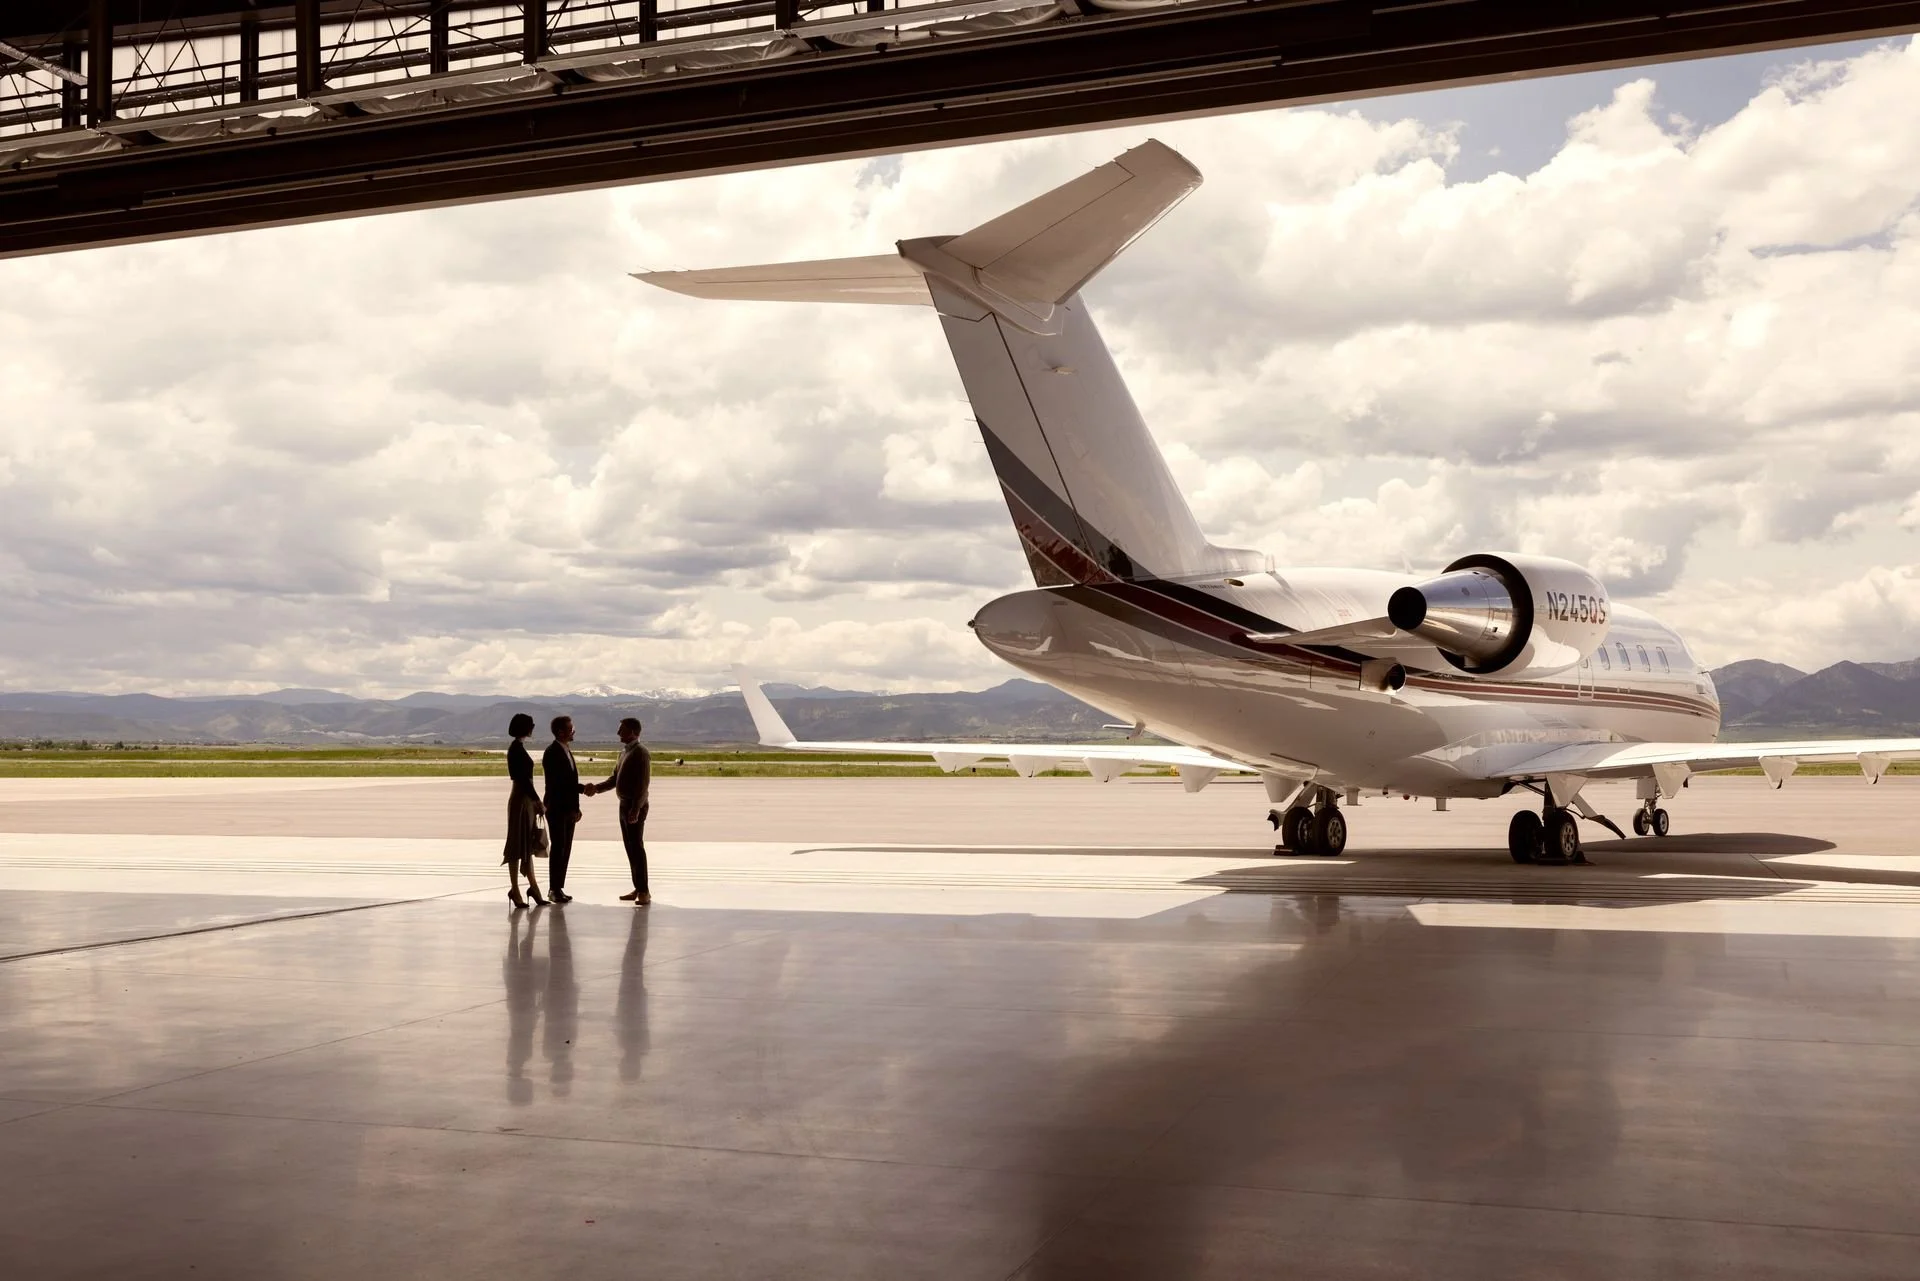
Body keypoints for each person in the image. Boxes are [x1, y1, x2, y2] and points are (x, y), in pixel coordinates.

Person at [589, 716, 651, 905]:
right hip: (624, 805)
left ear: (632, 732)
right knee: (630, 848)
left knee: (636, 848)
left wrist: (635, 809)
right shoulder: (624, 752)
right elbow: (615, 778)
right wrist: (596, 788)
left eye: (621, 729)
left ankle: (644, 892)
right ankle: (638, 887)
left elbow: (642, 785)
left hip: (634, 806)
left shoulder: (640, 753)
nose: (618, 733)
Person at [502, 712, 548, 909]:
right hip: (522, 800)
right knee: (516, 846)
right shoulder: (516, 750)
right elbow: (523, 780)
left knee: (525, 846)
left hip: (524, 800)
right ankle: (516, 889)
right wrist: (537, 800)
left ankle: (533, 888)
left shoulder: (517, 748)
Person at [541, 715, 587, 904]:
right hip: (558, 808)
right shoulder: (552, 752)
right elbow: (559, 784)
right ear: (561, 732)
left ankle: (559, 887)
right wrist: (583, 789)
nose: (573, 730)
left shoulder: (566, 750)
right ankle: (553, 889)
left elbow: (570, 781)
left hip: (568, 809)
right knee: (558, 848)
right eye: (571, 728)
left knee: (565, 849)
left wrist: (576, 807)